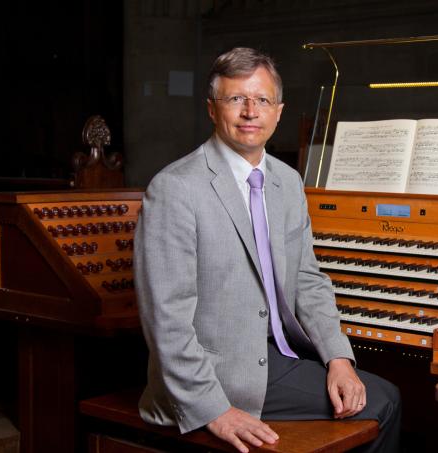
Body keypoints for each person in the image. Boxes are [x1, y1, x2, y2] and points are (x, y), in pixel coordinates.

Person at [134, 47, 401, 453]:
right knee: (386, 402)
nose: (249, 111)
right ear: (211, 109)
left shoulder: (287, 182)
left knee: (368, 390)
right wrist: (215, 411)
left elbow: (308, 281)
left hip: (279, 353)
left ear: (278, 111)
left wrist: (338, 359)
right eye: (235, 99)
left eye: (261, 100)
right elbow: (165, 321)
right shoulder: (176, 188)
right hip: (218, 373)